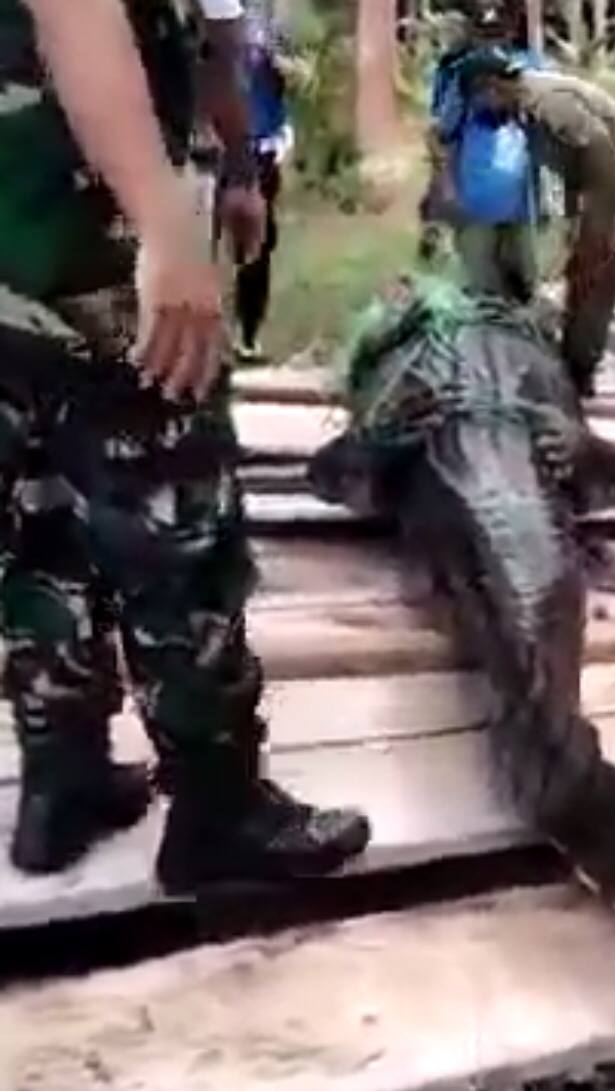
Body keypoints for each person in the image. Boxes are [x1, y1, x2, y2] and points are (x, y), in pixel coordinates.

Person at [1, 0, 371, 888]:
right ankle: (220, 810)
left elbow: (212, 32)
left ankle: (63, 779)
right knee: (176, 516)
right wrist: (166, 225)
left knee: (37, 515)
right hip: (83, 233)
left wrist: (236, 171)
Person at [463, 50, 615, 400]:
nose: (479, 110)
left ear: (493, 87)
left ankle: (579, 372)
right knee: (579, 271)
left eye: (478, 100)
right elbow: (555, 165)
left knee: (598, 276)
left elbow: (602, 152)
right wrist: (566, 220)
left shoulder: (550, 103)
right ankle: (571, 365)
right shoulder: (524, 111)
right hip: (593, 181)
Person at [431, 3, 545, 303]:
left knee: (523, 287)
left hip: (520, 201)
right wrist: (446, 185)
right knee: (484, 293)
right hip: (476, 200)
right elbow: (443, 134)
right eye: (485, 37)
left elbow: (552, 131)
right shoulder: (462, 74)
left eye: (498, 36)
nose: (492, 45)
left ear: (509, 33)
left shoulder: (531, 70)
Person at [233, 4, 295, 363]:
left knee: (256, 249)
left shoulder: (273, 28)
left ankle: (248, 335)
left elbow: (296, 76)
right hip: (216, 151)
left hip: (263, 152)